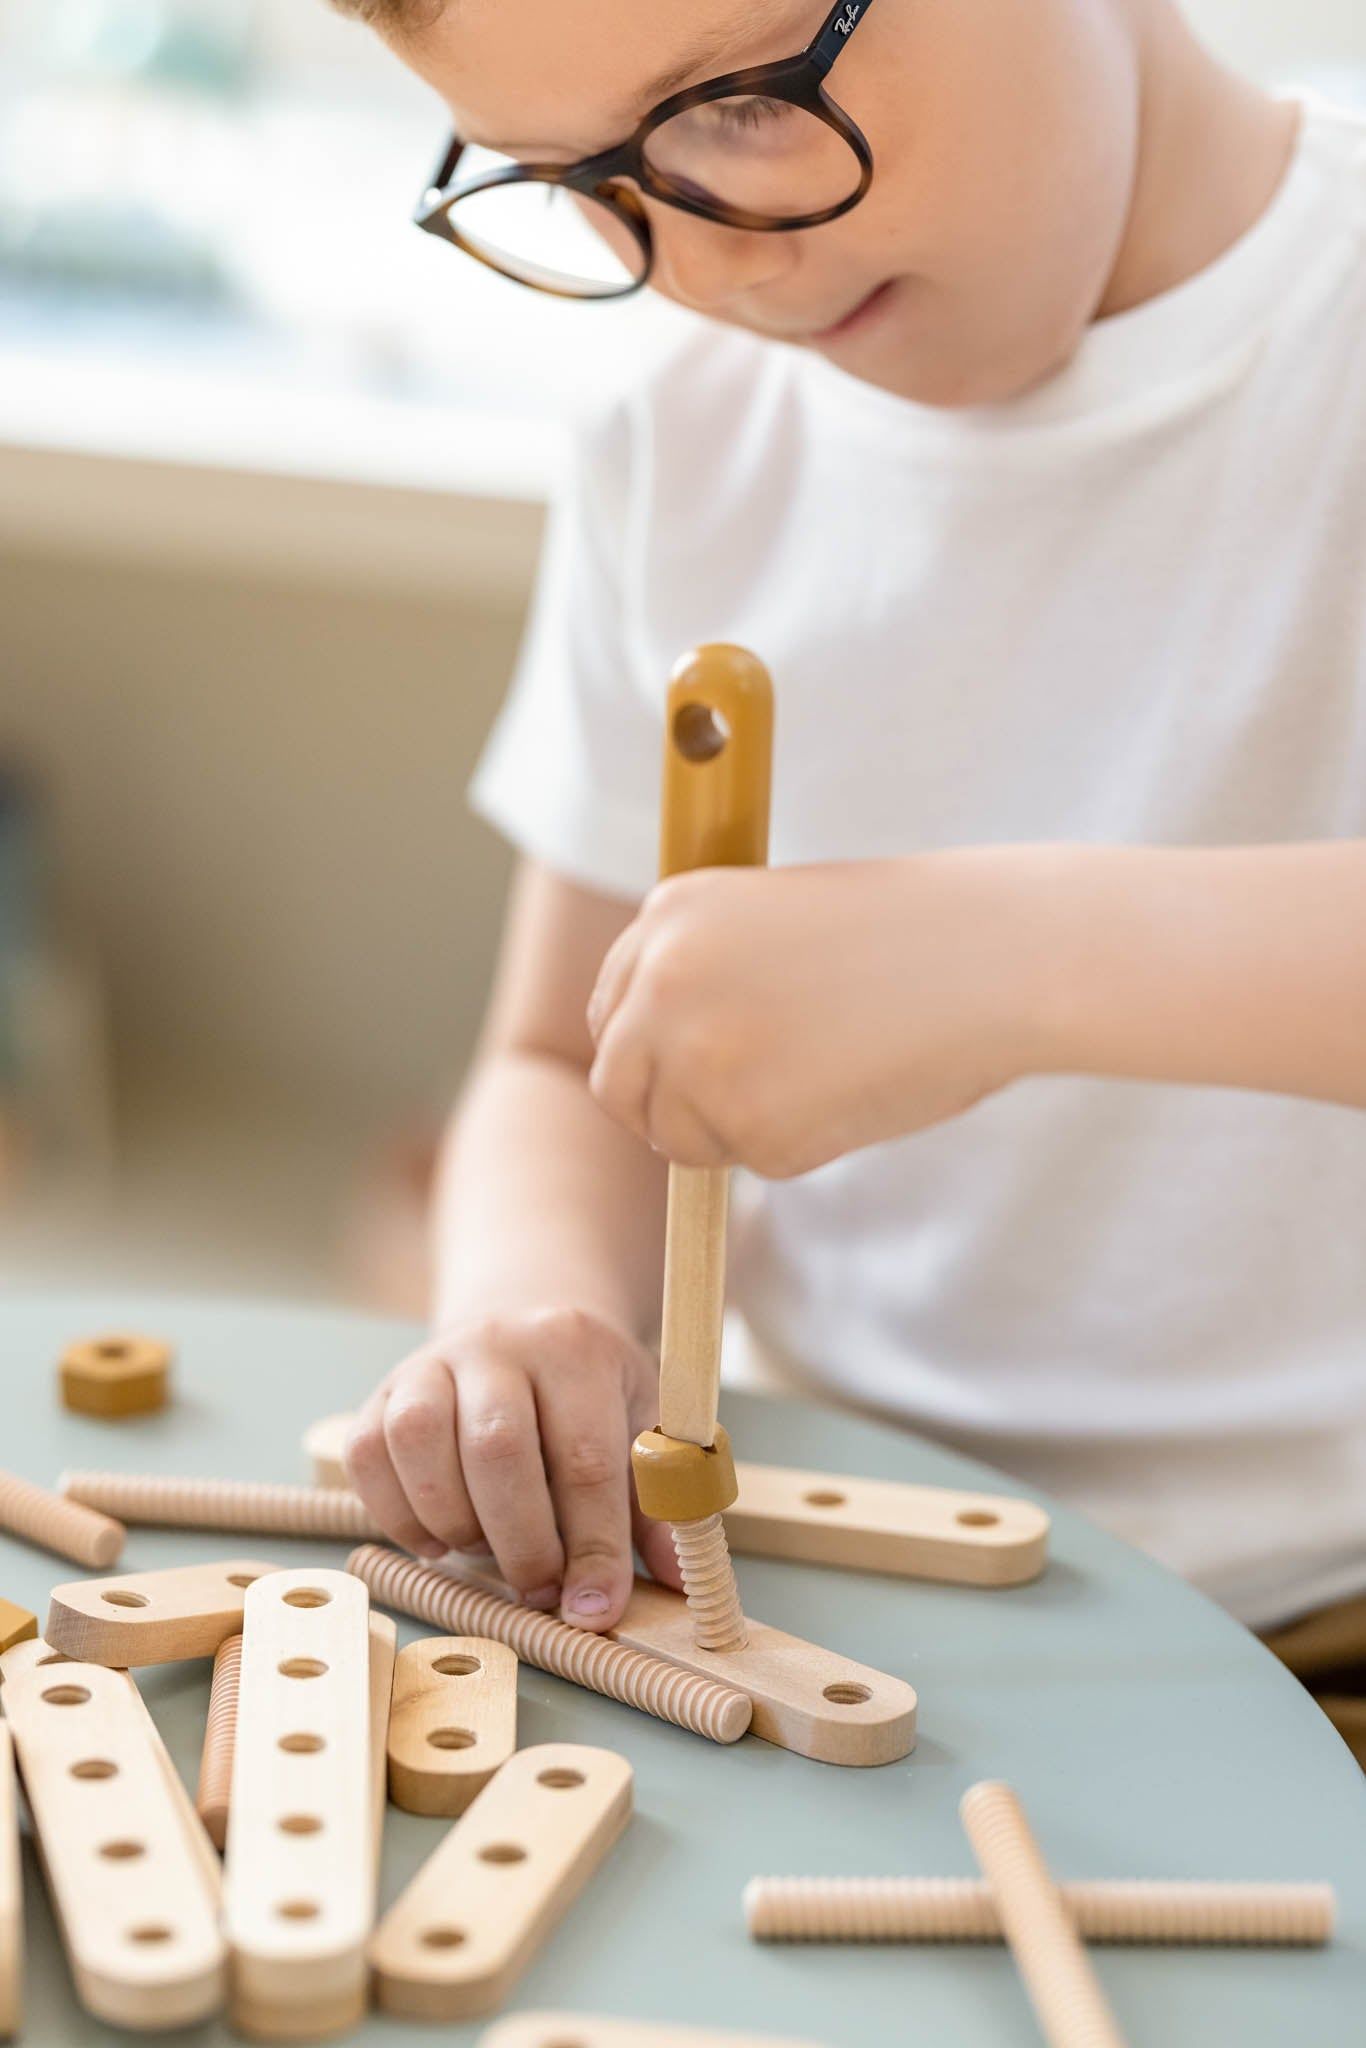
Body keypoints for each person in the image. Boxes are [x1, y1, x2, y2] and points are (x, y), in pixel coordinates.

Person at [329, 0, 1366, 1761]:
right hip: (852, 1567)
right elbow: (550, 1069)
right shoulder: (681, 442)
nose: (704, 267)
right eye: (577, 182)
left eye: (732, 103)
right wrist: (526, 1307)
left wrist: (1017, 960)